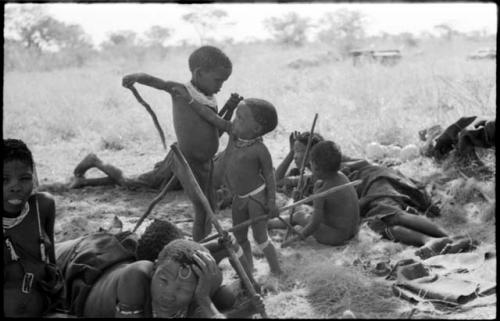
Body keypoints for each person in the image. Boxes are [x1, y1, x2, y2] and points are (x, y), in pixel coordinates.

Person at [121, 45, 234, 241]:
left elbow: (216, 132)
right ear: (199, 73)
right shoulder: (181, 92)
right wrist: (137, 76)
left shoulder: (209, 100)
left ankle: (202, 242)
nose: (220, 86)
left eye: (223, 81)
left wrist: (229, 109)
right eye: (218, 80)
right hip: (186, 161)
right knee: (202, 206)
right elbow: (159, 83)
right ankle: (198, 245)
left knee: (210, 206)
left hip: (206, 164)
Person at [54, 219, 263, 318]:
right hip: (82, 263)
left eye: (183, 290)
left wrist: (233, 249)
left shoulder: (201, 283)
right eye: (163, 281)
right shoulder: (135, 278)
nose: (169, 296)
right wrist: (208, 304)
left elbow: (249, 287)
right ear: (154, 269)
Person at [67, 93, 244, 194]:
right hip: (181, 160)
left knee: (139, 182)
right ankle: (95, 161)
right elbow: (215, 131)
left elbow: (215, 130)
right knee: (133, 182)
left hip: (182, 161)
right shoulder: (212, 146)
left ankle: (84, 183)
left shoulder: (224, 154)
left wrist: (230, 107)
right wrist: (230, 107)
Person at [221, 98, 283, 278]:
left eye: (240, 118)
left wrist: (272, 201)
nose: (234, 121)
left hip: (257, 198)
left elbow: (270, 176)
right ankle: (249, 270)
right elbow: (216, 121)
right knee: (240, 237)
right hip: (238, 198)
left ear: (256, 129)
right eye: (235, 116)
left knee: (260, 238)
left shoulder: (260, 150)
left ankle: (276, 270)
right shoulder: (234, 139)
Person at [3, 139, 63, 317]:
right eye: (4, 180)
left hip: (46, 308)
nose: (15, 187)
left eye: (24, 178)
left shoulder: (42, 207)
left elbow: (51, 263)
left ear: (34, 178)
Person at [271, 140, 360, 247]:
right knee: (304, 209)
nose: (309, 165)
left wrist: (294, 239)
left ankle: (268, 224)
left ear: (317, 168)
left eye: (311, 163)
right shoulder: (342, 177)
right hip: (351, 232)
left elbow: (314, 224)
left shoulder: (322, 192)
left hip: (336, 237)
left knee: (299, 216)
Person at [275, 131, 324, 198]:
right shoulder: (301, 175)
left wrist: (292, 194)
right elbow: (276, 181)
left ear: (313, 153)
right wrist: (291, 153)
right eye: (294, 151)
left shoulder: (322, 177)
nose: (294, 156)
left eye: (299, 151)